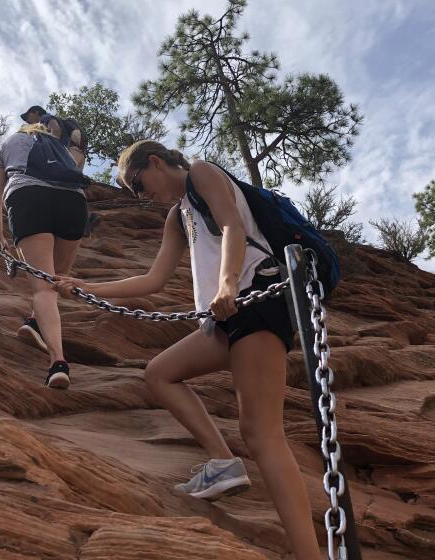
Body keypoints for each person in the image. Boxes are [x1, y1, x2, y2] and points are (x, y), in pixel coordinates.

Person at [54, 141, 321, 560]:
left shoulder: (202, 173)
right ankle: (222, 462)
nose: (143, 197)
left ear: (156, 163)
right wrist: (89, 288)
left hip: (255, 299)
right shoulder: (178, 216)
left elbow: (233, 225)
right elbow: (153, 279)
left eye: (140, 185)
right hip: (223, 320)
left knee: (262, 434)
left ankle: (310, 554)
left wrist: (228, 284)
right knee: (160, 373)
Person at [0, 121, 89, 389]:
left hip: (29, 197)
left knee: (44, 287)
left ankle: (58, 362)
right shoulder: (58, 145)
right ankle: (34, 322)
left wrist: (0, 240)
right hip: (74, 202)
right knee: (58, 279)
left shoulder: (8, 143)